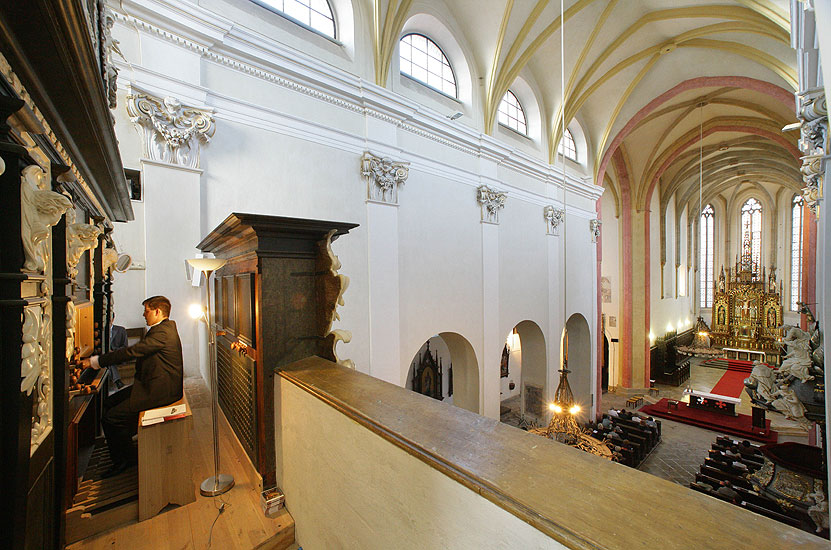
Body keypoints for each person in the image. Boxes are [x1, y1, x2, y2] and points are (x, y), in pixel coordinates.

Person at [82, 296, 184, 478]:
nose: (143, 315)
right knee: (108, 403)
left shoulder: (162, 332)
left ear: (157, 312)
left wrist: (95, 361)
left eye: (146, 311)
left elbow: (132, 351)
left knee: (111, 418)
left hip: (159, 391)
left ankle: (124, 460)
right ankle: (124, 447)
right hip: (152, 385)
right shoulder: (163, 328)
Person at [108, 314, 127, 391]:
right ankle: (117, 381)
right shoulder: (101, 331)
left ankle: (116, 381)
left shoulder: (121, 330)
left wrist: (114, 351)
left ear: (113, 319)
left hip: (117, 356)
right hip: (106, 357)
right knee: (107, 360)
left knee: (107, 360)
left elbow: (125, 347)